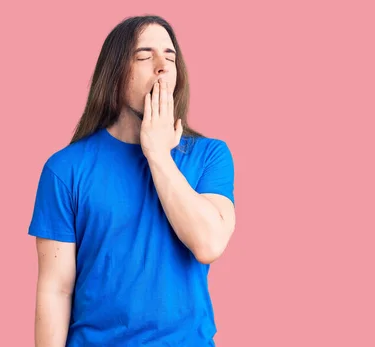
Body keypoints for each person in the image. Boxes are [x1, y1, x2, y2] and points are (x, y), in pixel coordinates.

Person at [28, 15, 236, 346]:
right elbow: (56, 290)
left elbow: (208, 244)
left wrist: (157, 154)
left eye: (170, 57)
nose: (162, 66)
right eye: (143, 56)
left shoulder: (210, 156)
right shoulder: (65, 169)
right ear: (114, 74)